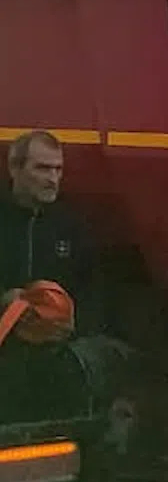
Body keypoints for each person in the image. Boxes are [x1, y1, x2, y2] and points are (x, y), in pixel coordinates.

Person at [1, 130, 94, 342]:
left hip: (52, 349)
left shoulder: (71, 226)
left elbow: (91, 289)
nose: (52, 179)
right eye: (42, 168)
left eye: (58, 169)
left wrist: (74, 325)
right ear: (14, 168)